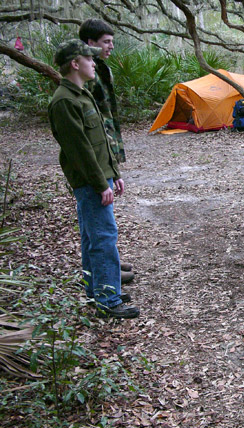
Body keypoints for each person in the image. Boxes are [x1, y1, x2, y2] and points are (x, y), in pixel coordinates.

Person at [48, 39, 140, 319]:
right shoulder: (64, 101)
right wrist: (101, 184)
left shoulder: (81, 94)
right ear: (75, 64)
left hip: (100, 178)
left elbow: (100, 141)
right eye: (89, 59)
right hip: (89, 182)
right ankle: (107, 299)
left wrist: (114, 175)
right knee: (102, 238)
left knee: (92, 237)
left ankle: (97, 290)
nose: (93, 64)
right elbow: (80, 150)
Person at [79, 18, 135, 284]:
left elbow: (109, 114)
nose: (111, 46)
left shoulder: (102, 69)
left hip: (108, 147)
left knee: (103, 219)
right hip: (96, 152)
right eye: (106, 42)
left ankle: (108, 261)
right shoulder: (85, 74)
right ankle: (104, 271)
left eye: (112, 41)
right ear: (91, 43)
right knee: (100, 220)